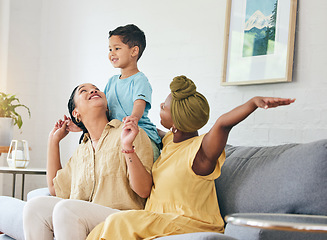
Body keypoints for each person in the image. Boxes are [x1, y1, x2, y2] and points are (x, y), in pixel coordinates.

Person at [86, 75, 295, 239]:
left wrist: (252, 103)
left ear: (176, 122)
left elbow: (223, 123)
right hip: (157, 219)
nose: (160, 106)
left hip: (190, 222)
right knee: (103, 228)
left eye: (164, 107)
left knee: (119, 223)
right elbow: (150, 129)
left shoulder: (200, 153)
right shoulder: (170, 142)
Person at [23, 83, 153, 240]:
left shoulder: (130, 133)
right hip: (82, 216)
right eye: (83, 91)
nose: (93, 90)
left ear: (106, 108)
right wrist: (53, 141)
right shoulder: (82, 150)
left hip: (122, 218)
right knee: (34, 208)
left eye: (96, 89)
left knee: (67, 209)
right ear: (76, 113)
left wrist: (127, 148)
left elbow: (144, 190)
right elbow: (54, 188)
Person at [105, 24, 161, 160]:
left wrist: (134, 118)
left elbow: (139, 104)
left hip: (141, 133)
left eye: (117, 48)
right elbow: (103, 109)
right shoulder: (111, 81)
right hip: (118, 136)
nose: (112, 53)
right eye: (110, 49)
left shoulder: (139, 80)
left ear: (134, 51)